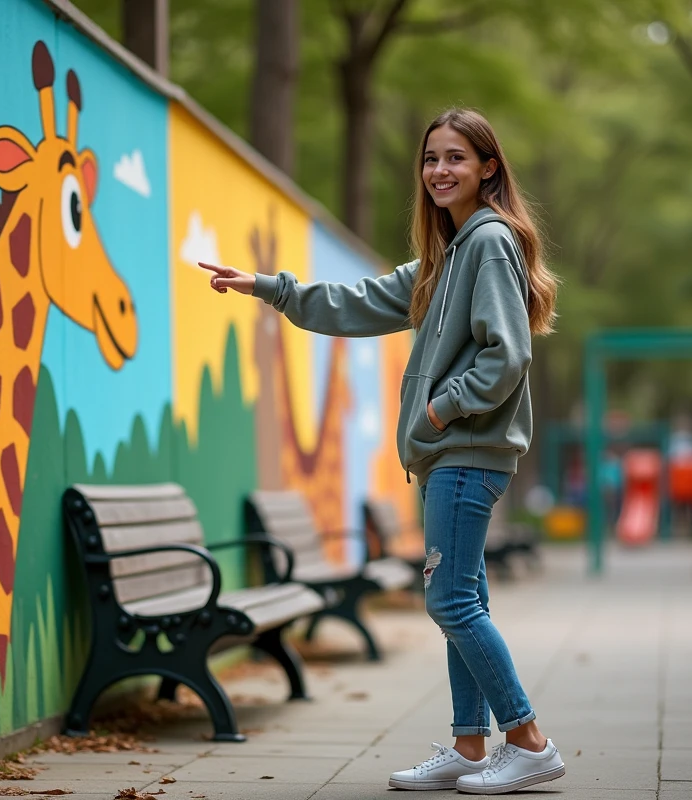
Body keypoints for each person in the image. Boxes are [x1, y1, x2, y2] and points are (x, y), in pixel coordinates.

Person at [199, 107, 564, 794]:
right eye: (431, 159)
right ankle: (468, 744)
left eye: (456, 157)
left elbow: (506, 356)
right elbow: (358, 300)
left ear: (489, 167)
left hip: (466, 450)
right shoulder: (447, 255)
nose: (439, 170)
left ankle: (528, 738)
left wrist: (439, 408)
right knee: (465, 600)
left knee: (451, 603)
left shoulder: (488, 242)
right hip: (448, 455)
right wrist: (271, 288)